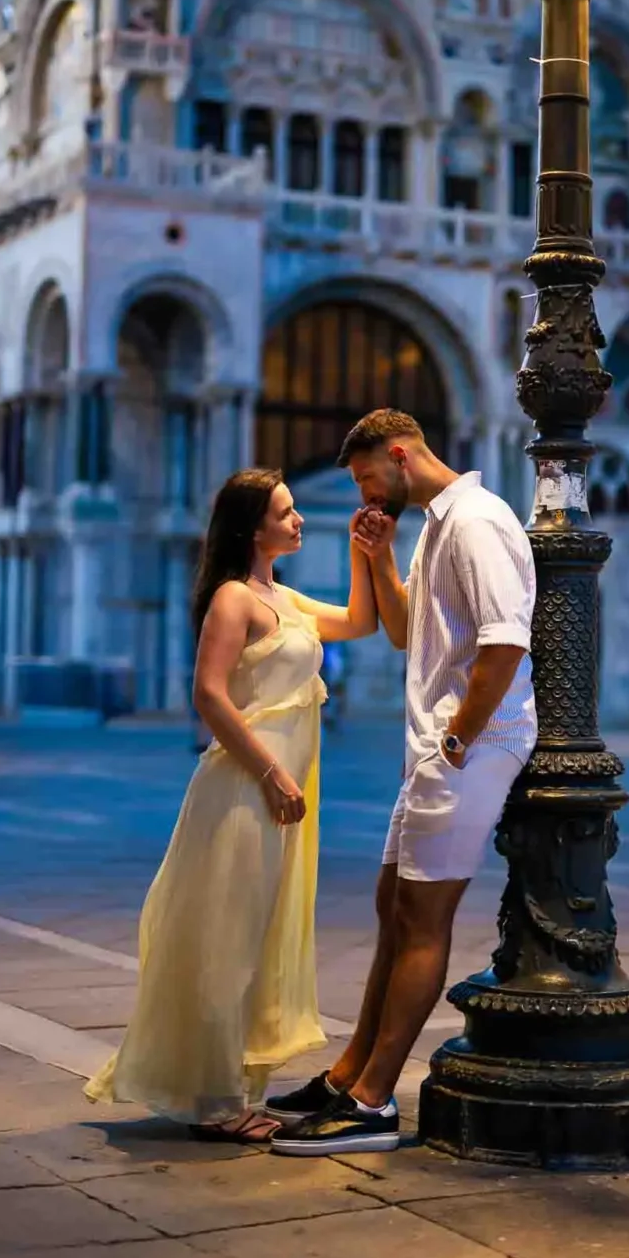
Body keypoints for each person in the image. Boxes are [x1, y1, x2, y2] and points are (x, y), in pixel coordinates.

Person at [266, 409, 537, 1156]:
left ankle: (375, 1099)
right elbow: (404, 628)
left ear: (398, 454)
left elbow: (506, 639)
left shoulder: (478, 519)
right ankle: (348, 1072)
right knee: (393, 905)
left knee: (422, 921)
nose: (365, 493)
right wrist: (379, 558)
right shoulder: (435, 524)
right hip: (437, 749)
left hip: (471, 748)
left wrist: (457, 739)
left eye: (365, 479)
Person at [85, 468, 378, 1143]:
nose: (299, 519)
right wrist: (274, 774)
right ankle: (217, 1103)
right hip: (245, 787)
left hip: (280, 791)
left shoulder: (285, 598)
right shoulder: (232, 600)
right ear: (254, 528)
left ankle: (234, 1087)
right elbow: (210, 696)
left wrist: (368, 553)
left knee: (258, 934)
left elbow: (361, 621)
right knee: (228, 938)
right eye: (287, 511)